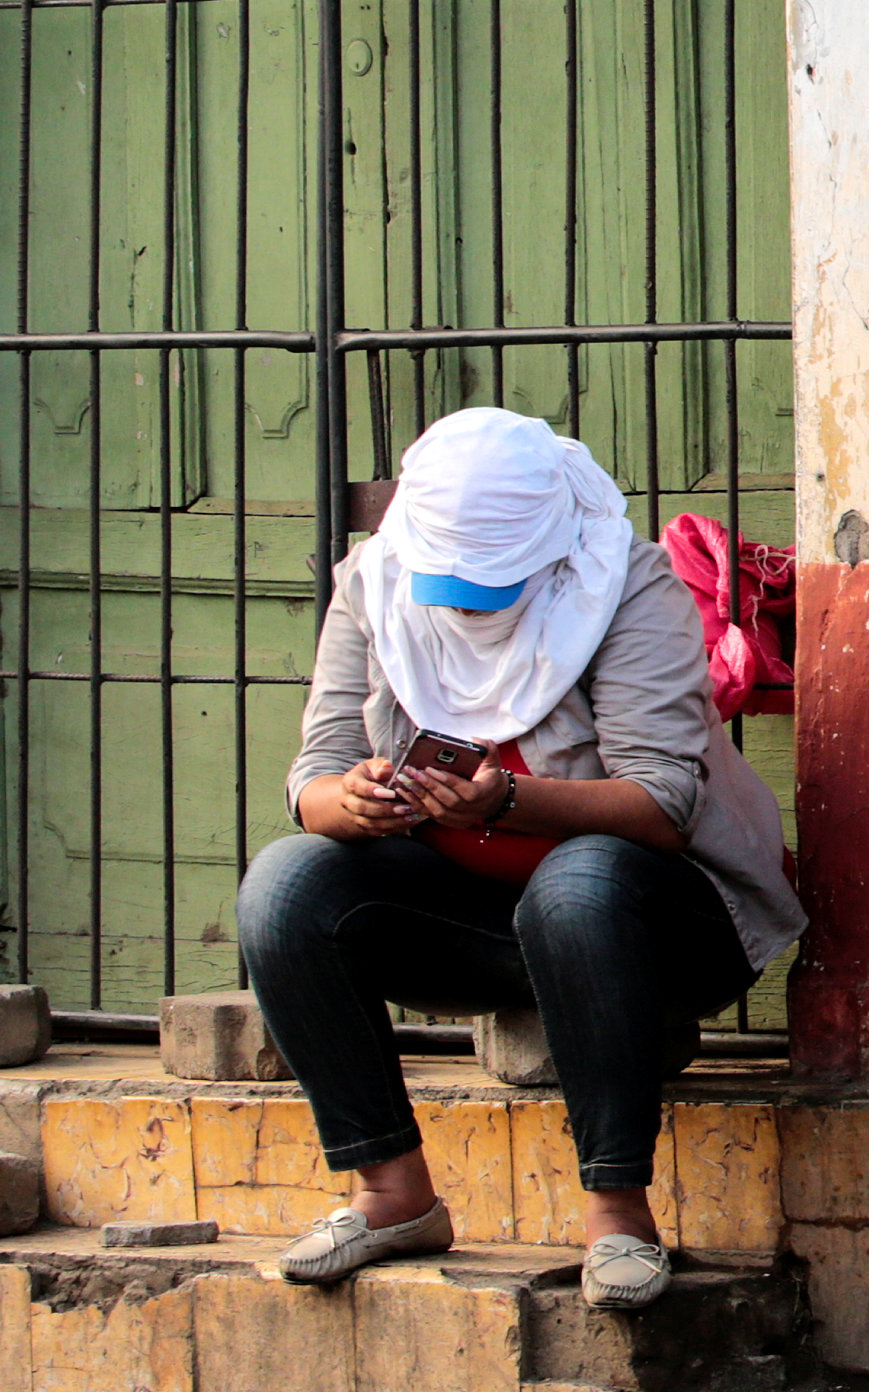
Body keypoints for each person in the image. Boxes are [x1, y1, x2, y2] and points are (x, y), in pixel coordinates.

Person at [240, 408, 802, 1311]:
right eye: (448, 578)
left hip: (656, 922)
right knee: (285, 886)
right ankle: (392, 1192)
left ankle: (616, 1213)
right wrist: (346, 804)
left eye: (488, 581)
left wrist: (507, 799)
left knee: (576, 882)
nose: (463, 600)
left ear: (544, 546)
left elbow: (660, 805)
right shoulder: (374, 583)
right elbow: (314, 772)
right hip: (473, 917)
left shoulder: (624, 585)